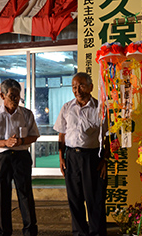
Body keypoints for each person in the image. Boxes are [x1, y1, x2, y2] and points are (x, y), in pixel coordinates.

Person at [0, 79, 40, 236]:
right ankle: (3, 232)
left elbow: (34, 136)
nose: (15, 100)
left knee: (25, 194)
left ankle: (30, 231)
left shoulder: (26, 114)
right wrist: (5, 142)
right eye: (12, 96)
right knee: (2, 196)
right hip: (1, 159)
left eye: (18, 96)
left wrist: (20, 141)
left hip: (21, 157)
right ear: (2, 95)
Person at [54, 72, 109, 236]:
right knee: (74, 199)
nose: (77, 90)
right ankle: (79, 232)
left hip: (92, 158)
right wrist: (61, 158)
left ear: (91, 87)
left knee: (95, 199)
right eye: (74, 87)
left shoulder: (100, 108)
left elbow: (108, 136)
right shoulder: (66, 107)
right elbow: (62, 134)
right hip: (71, 157)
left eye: (81, 86)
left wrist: (105, 159)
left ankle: (96, 233)